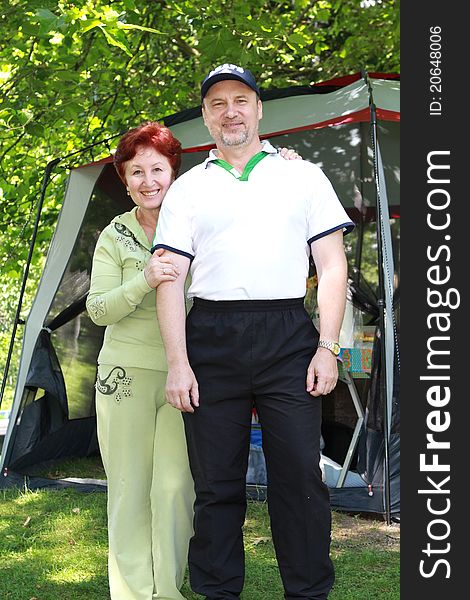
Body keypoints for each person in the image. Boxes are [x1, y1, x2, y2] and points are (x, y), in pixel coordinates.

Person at [153, 64, 355, 600]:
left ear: (259, 109)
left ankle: (308, 592)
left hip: (288, 333)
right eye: (217, 103)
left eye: (240, 99)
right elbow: (170, 280)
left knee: (300, 480)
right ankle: (218, 592)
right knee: (216, 484)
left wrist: (327, 348)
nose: (230, 111)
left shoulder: (303, 176)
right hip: (211, 335)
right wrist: (179, 363)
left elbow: (332, 267)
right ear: (206, 116)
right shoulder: (187, 189)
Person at [86, 120, 303, 600]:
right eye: (136, 171)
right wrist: (143, 279)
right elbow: (98, 309)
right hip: (125, 376)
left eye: (157, 169)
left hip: (191, 375)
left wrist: (286, 167)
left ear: (173, 173)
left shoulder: (200, 216)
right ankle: (132, 593)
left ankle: (167, 590)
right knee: (128, 488)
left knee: (175, 489)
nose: (148, 181)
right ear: (123, 179)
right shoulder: (113, 236)